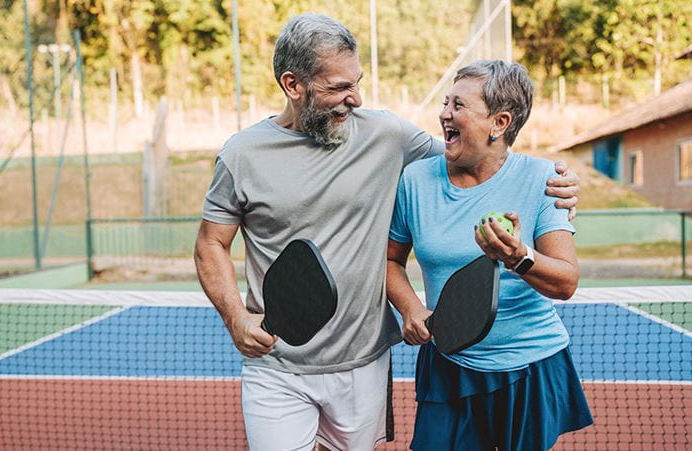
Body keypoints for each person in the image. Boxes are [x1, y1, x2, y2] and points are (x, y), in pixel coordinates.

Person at [195, 14, 580, 451]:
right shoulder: (242, 154)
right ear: (293, 85)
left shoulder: (388, 135)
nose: (355, 99)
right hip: (276, 361)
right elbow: (211, 243)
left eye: (356, 83)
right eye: (339, 88)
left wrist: (556, 180)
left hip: (363, 362)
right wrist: (235, 317)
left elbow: (484, 156)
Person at [386, 60, 593, 451]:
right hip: (449, 361)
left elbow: (566, 282)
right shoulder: (414, 180)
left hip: (531, 365)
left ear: (499, 123)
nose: (444, 113)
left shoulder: (544, 179)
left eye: (459, 106)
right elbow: (390, 260)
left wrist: (519, 256)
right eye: (446, 102)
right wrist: (411, 308)